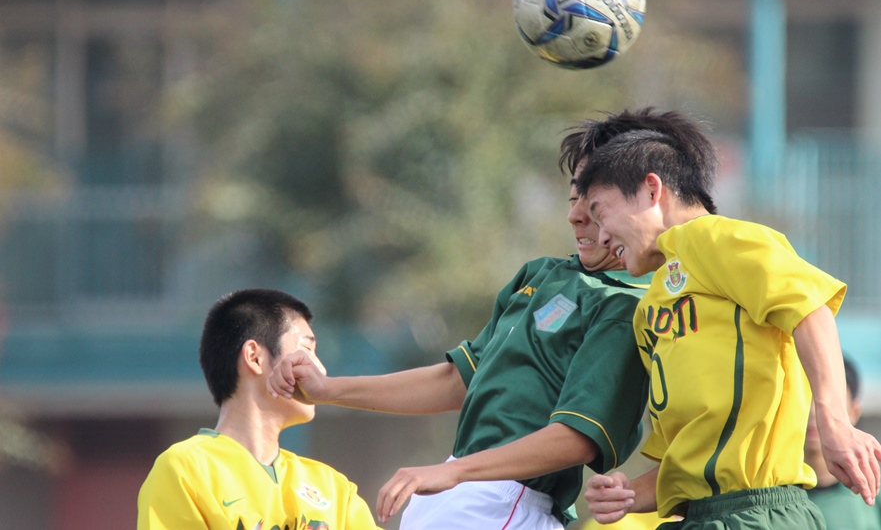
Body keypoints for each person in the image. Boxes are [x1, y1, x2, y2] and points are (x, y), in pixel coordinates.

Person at [266, 109, 712, 529]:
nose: (576, 214)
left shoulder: (628, 305)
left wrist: (458, 473)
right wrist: (328, 389)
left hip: (507, 499)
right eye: (574, 196)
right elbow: (457, 380)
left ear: (646, 195)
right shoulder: (542, 274)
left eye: (596, 203)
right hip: (453, 487)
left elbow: (579, 437)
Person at [574, 127, 881, 529]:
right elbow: (690, 469)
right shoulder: (650, 309)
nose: (600, 236)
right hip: (700, 517)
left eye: (601, 213)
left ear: (652, 190)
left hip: (759, 514)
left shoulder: (717, 237)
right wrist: (629, 493)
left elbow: (810, 310)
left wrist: (835, 421)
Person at [137, 288, 382, 529]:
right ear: (254, 357)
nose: (320, 369)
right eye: (307, 350)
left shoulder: (335, 489)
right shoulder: (187, 468)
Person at [807, 355, 881, 530]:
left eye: (830, 403)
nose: (813, 413)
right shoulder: (769, 493)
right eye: (805, 397)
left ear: (854, 411)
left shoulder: (874, 488)